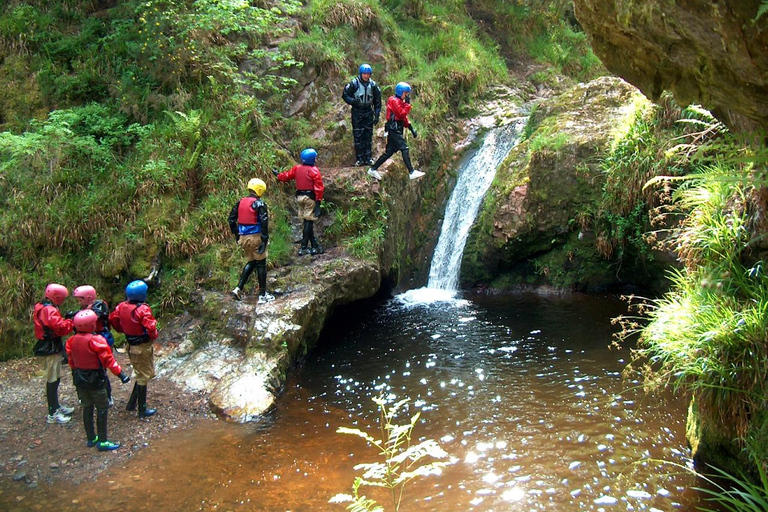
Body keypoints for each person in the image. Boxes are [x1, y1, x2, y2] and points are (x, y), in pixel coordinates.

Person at [66, 309, 130, 451]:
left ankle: (91, 437)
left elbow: (71, 361)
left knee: (87, 406)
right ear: (91, 325)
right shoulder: (96, 340)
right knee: (102, 407)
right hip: (95, 379)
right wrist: (121, 374)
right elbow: (108, 360)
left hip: (79, 378)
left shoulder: (71, 341)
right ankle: (102, 440)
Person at [109, 280, 158, 418]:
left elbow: (113, 320)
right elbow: (151, 327)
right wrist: (153, 336)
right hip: (141, 345)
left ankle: (132, 404)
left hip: (131, 344)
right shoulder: (142, 309)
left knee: (141, 372)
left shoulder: (121, 306)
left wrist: (122, 329)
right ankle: (142, 410)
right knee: (143, 375)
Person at [33, 283, 75, 424]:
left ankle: (56, 406)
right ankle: (52, 413)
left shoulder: (44, 306)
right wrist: (71, 321)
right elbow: (60, 327)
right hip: (49, 347)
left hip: (51, 345)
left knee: (55, 378)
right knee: (52, 379)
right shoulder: (48, 310)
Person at [228, 178, 274, 303]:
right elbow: (264, 221)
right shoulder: (259, 204)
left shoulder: (240, 202)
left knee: (252, 262)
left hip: (243, 238)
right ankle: (262, 295)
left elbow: (231, 219)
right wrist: (264, 239)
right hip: (255, 237)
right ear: (259, 190)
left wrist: (237, 235)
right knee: (261, 264)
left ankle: (238, 288)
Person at [367, 82, 425, 181]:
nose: (406, 95)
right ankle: (411, 171)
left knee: (389, 152)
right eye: (405, 93)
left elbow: (404, 118)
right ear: (400, 92)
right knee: (404, 148)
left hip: (397, 128)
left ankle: (373, 169)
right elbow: (401, 114)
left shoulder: (400, 101)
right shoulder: (393, 100)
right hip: (394, 129)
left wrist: (411, 129)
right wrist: (407, 105)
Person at [273, 148, 325, 256]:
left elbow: (287, 176)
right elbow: (319, 187)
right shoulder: (314, 171)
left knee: (306, 222)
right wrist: (318, 203)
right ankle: (304, 246)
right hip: (309, 199)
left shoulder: (297, 168)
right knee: (308, 221)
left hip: (300, 198)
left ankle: (314, 244)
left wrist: (278, 175)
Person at [73, 285, 116, 407]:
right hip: (88, 340)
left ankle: (107, 396)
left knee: (100, 369)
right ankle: (87, 396)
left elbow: (95, 315)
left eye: (80, 299)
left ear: (87, 298)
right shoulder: (84, 308)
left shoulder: (99, 305)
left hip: (101, 338)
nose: (79, 302)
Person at [342, 63, 382, 166]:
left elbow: (377, 101)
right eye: (364, 74)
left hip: (368, 111)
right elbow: (345, 95)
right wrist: (352, 101)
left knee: (368, 136)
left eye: (368, 74)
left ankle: (368, 158)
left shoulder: (373, 85)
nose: (366, 76)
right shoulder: (354, 84)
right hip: (357, 111)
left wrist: (377, 114)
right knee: (358, 136)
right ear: (361, 73)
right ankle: (359, 158)